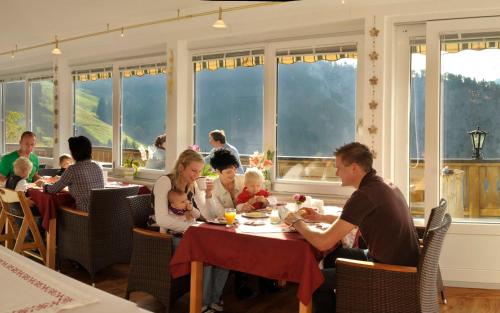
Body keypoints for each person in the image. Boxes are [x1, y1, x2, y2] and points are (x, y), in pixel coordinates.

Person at [284, 142, 420, 313]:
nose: (336, 173)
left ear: (354, 168)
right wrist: (320, 217)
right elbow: (354, 221)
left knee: (315, 280)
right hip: (403, 263)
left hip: (391, 273)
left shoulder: (364, 195)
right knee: (331, 257)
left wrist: (296, 221)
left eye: (339, 168)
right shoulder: (382, 185)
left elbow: (322, 242)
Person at [152, 149, 227, 313]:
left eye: (199, 171)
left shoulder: (192, 185)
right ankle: (203, 305)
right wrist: (192, 228)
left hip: (190, 235)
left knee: (224, 253)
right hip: (167, 238)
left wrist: (208, 194)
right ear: (181, 167)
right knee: (206, 253)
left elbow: (207, 215)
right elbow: (162, 219)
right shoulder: (165, 182)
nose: (196, 175)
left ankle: (213, 300)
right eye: (194, 170)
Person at [43, 136, 105, 212]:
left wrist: (44, 185)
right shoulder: (98, 166)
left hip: (83, 217)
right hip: (101, 214)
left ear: (74, 152)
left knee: (56, 210)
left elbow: (54, 189)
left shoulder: (73, 169)